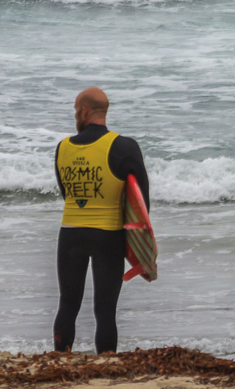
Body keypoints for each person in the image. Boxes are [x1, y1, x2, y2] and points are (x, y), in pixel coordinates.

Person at [53, 87, 150, 354]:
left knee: (68, 304)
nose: (75, 116)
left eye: (76, 111)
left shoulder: (62, 148)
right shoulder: (125, 147)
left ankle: (60, 359)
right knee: (105, 311)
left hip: (70, 233)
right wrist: (142, 248)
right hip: (108, 235)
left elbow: (66, 193)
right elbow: (142, 203)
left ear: (84, 111)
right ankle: (106, 363)